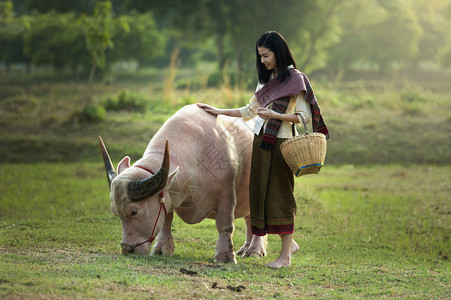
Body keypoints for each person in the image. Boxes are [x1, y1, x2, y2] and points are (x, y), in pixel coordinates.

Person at [198, 31, 329, 268]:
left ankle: (285, 256)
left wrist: (275, 115)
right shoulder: (265, 81)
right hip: (260, 141)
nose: (262, 61)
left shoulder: (295, 80)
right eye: (260, 56)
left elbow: (304, 117)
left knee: (281, 195)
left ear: (278, 52)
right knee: (260, 194)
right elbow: (248, 112)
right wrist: (218, 110)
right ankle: (289, 243)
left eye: (266, 55)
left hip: (281, 144)